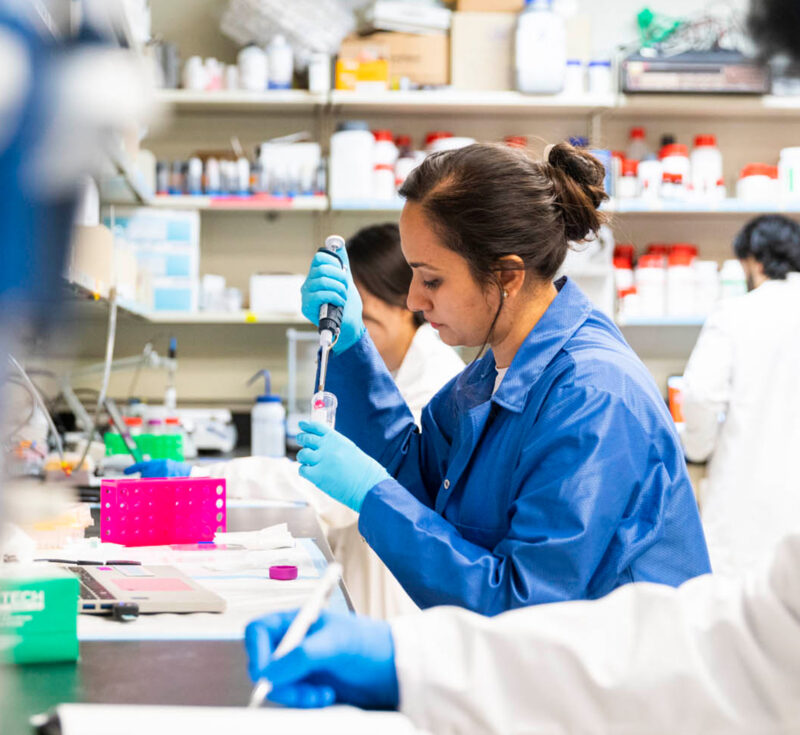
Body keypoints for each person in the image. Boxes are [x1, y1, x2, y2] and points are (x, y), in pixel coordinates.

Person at [295, 141, 710, 616]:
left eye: (431, 280)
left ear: (507, 275)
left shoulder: (592, 397)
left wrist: (371, 495)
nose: (412, 300)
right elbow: (416, 478)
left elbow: (523, 603)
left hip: (622, 680)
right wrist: (350, 345)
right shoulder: (491, 373)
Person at [127, 223, 464, 619]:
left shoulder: (435, 379)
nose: (347, 323)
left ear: (407, 305)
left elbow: (329, 492)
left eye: (361, 313)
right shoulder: (389, 372)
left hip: (400, 608)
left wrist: (203, 477)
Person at [681, 215, 800, 578]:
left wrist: (697, 449)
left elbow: (700, 395)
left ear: (754, 260)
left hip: (748, 509)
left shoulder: (735, 314)